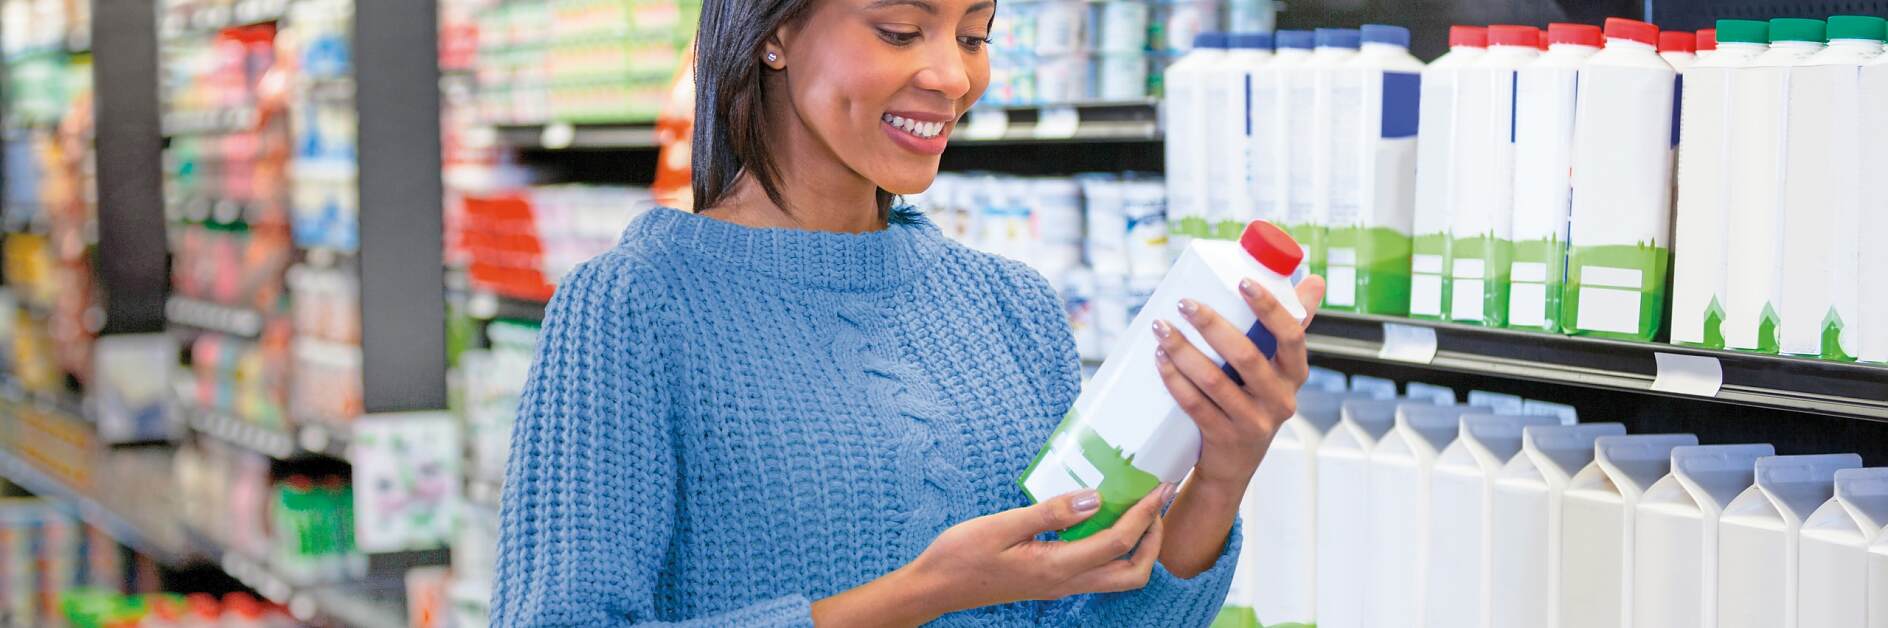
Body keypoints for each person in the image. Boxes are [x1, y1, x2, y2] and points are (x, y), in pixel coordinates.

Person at [488, 0, 1327, 625]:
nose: (952, 78)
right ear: (772, 33)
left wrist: (1222, 466)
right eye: (899, 30)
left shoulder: (1011, 307)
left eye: (972, 34)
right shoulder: (634, 308)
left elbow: (1088, 611)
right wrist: (927, 594)